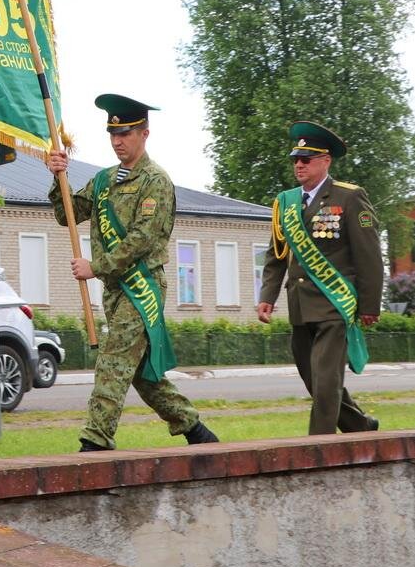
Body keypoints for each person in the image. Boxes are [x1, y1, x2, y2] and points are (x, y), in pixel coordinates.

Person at [48, 94, 218, 451]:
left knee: (112, 362)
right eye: (113, 134)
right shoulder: (103, 179)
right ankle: (195, 429)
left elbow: (143, 239)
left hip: (142, 288)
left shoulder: (155, 181)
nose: (117, 141)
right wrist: (58, 177)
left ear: (144, 134)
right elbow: (67, 214)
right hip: (114, 290)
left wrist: (96, 267)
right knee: (142, 374)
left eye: (125, 133)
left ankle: (95, 441)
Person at [257, 121, 381, 435]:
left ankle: (317, 448)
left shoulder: (349, 197)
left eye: (306, 159)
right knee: (314, 379)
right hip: (300, 305)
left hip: (333, 305)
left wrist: (369, 305)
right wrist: (266, 297)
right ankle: (361, 425)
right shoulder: (285, 202)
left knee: (326, 382)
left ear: (325, 161)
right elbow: (277, 255)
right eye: (295, 159)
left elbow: (369, 256)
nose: (299, 164)